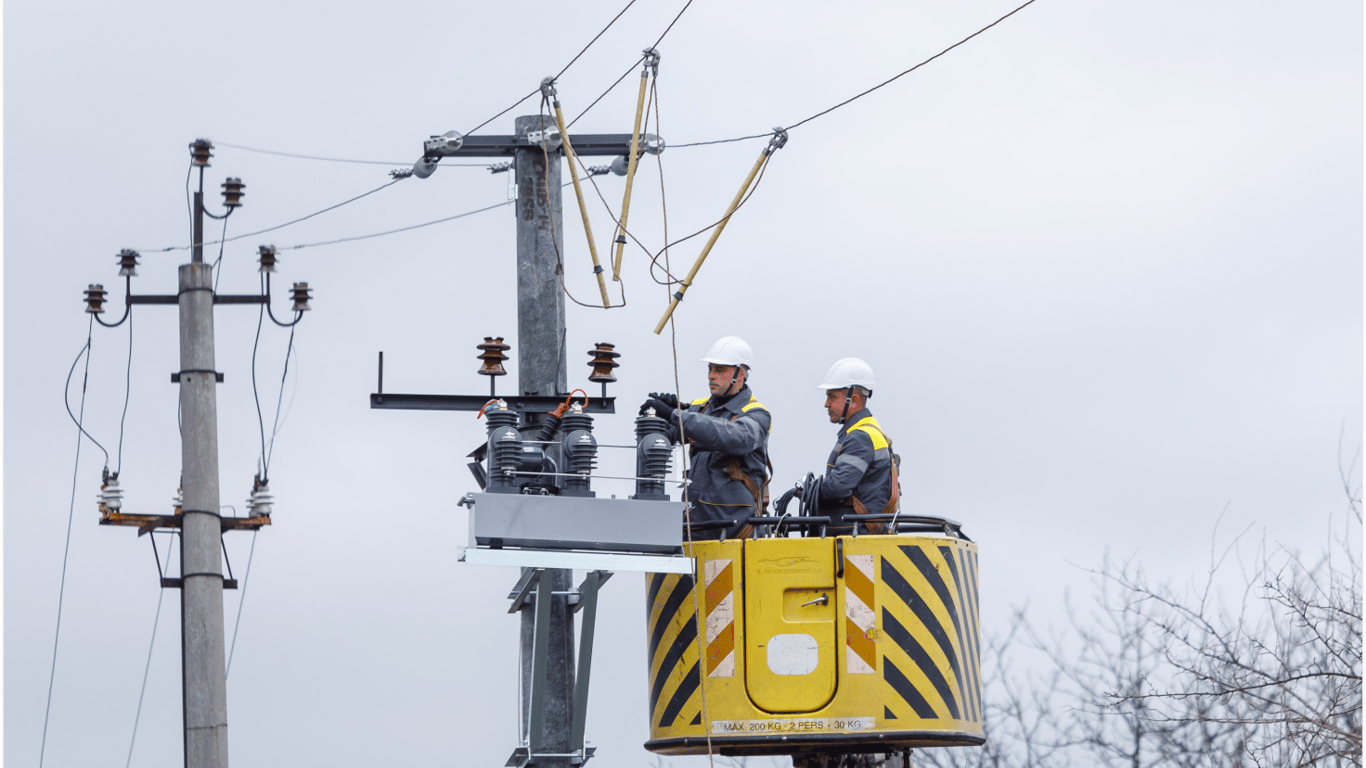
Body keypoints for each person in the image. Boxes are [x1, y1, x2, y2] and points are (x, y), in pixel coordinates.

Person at [640, 336, 771, 540]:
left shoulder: (757, 415)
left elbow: (733, 437)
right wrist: (659, 419)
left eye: (719, 370)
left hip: (734, 534)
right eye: (710, 369)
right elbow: (670, 435)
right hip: (695, 528)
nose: (711, 376)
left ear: (741, 374)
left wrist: (675, 414)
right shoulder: (699, 408)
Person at [813, 357, 899, 534]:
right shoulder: (870, 432)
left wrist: (811, 490)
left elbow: (837, 487)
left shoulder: (860, 437)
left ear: (854, 399)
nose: (826, 404)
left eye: (832, 397)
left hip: (855, 535)